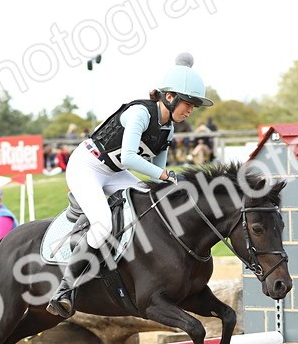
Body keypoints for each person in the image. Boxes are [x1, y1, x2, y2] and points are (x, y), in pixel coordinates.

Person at [46, 52, 212, 317]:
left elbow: (154, 173)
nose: (191, 109)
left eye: (194, 105)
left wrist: (170, 185)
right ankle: (64, 290)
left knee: (152, 200)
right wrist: (167, 176)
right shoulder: (139, 113)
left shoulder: (168, 128)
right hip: (87, 166)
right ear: (170, 97)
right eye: (188, 103)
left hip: (115, 172)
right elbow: (130, 157)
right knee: (103, 224)